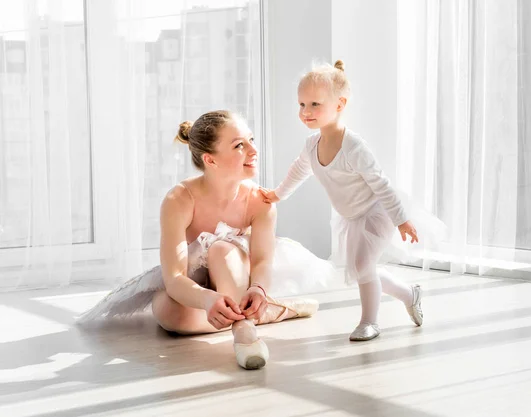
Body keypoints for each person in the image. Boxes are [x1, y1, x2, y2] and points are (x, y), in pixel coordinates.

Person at [78, 110, 337, 370]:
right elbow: (175, 277)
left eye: (251, 139)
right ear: (210, 160)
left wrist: (258, 288)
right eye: (239, 145)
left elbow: (261, 261)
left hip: (237, 274)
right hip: (198, 281)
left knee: (222, 249)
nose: (253, 149)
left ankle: (245, 330)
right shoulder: (179, 199)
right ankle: (265, 313)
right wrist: (205, 300)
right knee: (169, 315)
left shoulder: (260, 201)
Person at [261, 61, 446, 342]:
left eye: (314, 104)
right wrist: (277, 194)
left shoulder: (354, 147)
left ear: (339, 104)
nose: (306, 112)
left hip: (377, 213)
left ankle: (369, 322)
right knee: (363, 269)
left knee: (362, 266)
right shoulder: (312, 145)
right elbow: (299, 170)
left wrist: (401, 220)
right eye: (301, 105)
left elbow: (381, 184)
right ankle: (410, 294)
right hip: (350, 216)